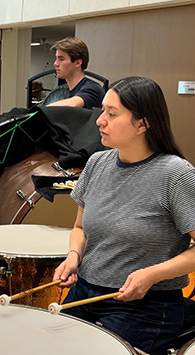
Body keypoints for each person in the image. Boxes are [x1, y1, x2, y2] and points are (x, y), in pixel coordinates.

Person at [53, 76, 195, 354]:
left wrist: (152, 275)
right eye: (102, 110)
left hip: (146, 305)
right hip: (83, 291)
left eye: (111, 113)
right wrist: (73, 256)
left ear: (143, 123)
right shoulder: (96, 163)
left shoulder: (176, 175)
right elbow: (80, 227)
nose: (99, 120)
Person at [46, 37, 105, 108]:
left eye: (61, 59)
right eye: (56, 59)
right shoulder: (68, 94)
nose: (56, 63)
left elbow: (73, 104)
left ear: (77, 63)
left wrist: (40, 111)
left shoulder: (93, 88)